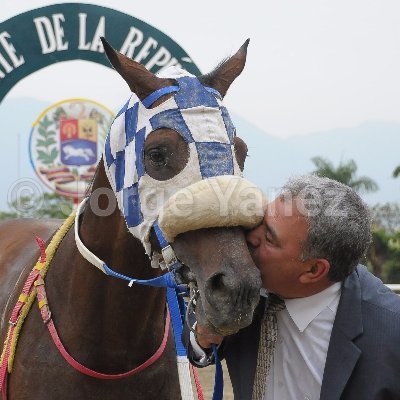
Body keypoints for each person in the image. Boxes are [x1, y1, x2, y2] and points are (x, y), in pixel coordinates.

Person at [185, 175, 400, 400]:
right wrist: (202, 337)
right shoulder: (243, 282)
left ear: (313, 270)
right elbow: (196, 346)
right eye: (259, 221)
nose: (250, 237)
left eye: (269, 237)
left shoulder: (391, 334)